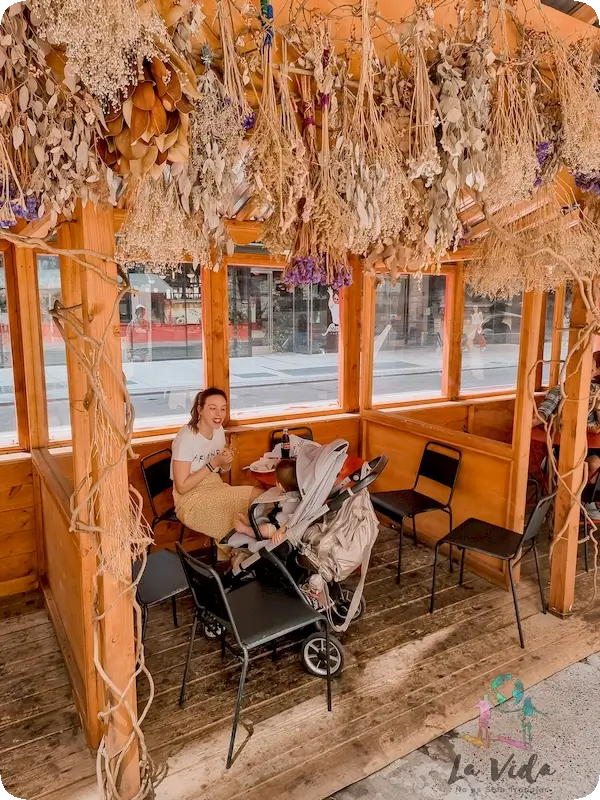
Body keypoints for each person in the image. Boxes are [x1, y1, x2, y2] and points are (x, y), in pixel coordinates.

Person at [171, 388, 263, 560]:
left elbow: (221, 469)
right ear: (200, 410)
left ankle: (242, 552)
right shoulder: (186, 437)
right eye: (212, 408)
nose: (219, 414)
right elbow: (182, 487)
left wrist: (226, 461)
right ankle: (240, 554)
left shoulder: (218, 430)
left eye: (223, 408)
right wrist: (213, 463)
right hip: (190, 499)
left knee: (259, 497)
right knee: (255, 498)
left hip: (215, 485)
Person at [533, 350, 600, 518]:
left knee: (594, 462)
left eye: (591, 369)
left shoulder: (596, 391)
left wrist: (598, 407)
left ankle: (590, 499)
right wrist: (529, 421)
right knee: (592, 463)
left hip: (592, 444)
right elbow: (542, 413)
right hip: (568, 446)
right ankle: (586, 501)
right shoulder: (560, 390)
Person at [233, 459, 300, 544]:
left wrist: (280, 531)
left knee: (264, 530)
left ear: (280, 485)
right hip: (276, 517)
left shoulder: (293, 502)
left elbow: (292, 521)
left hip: (281, 527)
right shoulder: (292, 494)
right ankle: (251, 522)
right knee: (267, 510)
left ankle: (246, 529)